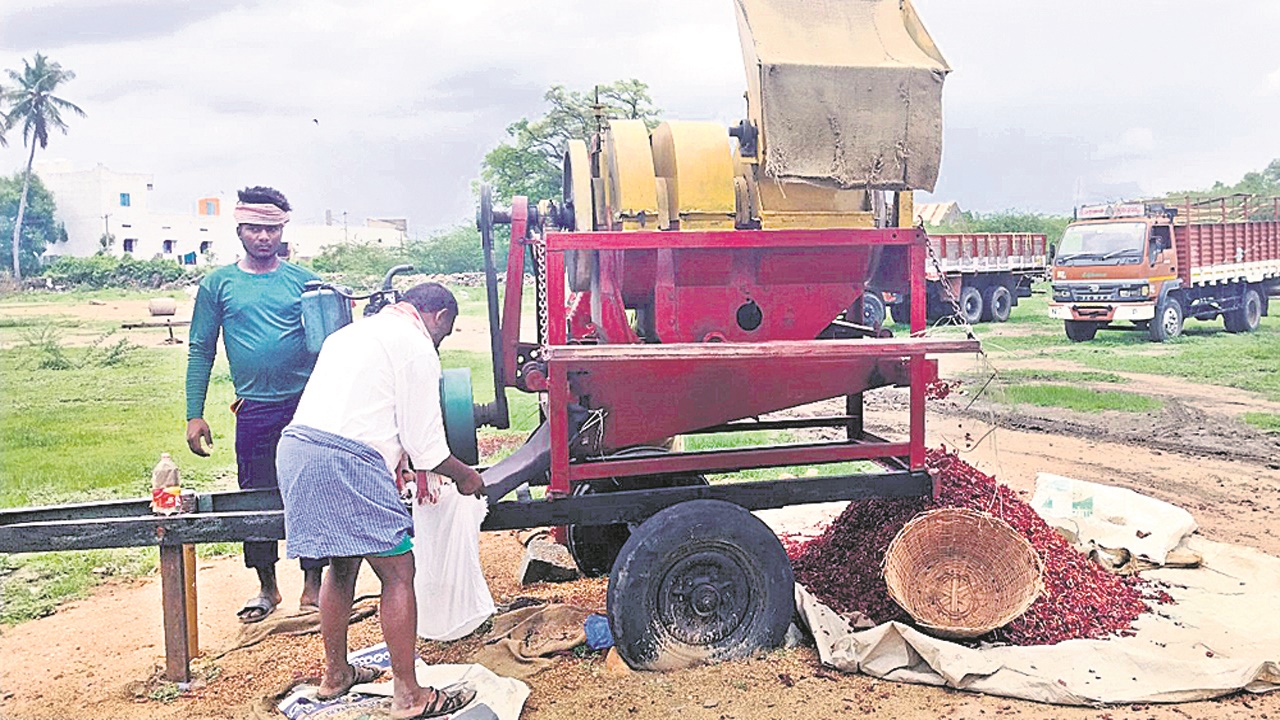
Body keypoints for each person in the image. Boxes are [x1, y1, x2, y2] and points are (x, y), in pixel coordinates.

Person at [276, 282, 483, 719]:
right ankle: (408, 694)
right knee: (398, 571)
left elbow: (366, 410)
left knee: (342, 564)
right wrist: (466, 476)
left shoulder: (350, 334)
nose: (441, 339)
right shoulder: (416, 345)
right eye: (446, 331)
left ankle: (335, 676)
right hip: (346, 461)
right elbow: (426, 446)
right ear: (440, 316)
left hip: (297, 448)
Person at [185, 186, 327, 623]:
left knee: (310, 490)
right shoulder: (218, 284)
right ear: (239, 229)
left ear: (282, 230)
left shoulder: (305, 282)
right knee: (256, 496)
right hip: (254, 409)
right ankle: (266, 586)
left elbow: (332, 343)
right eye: (254, 229)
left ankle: (313, 584)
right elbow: (200, 349)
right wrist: (195, 413)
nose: (263, 237)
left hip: (306, 405)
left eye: (271, 229)